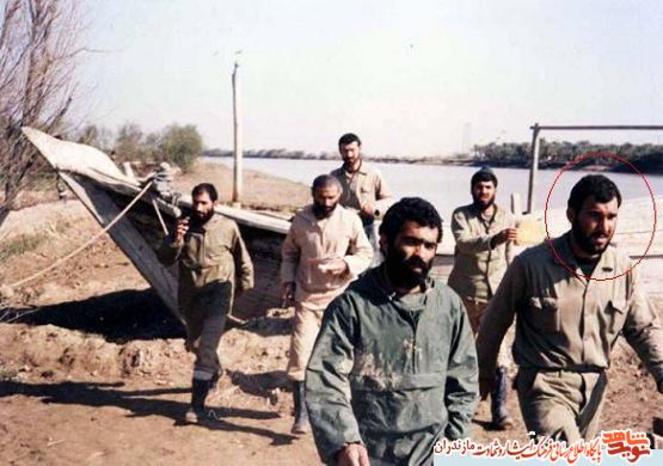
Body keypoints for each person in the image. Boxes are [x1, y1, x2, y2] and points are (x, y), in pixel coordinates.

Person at [477, 175, 663, 443]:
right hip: (544, 385)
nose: (604, 227)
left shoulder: (623, 269)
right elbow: (494, 322)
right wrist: (482, 376)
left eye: (611, 217)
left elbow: (643, 328)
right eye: (595, 216)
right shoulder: (531, 265)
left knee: (581, 455)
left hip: (594, 389)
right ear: (571, 215)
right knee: (566, 455)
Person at [306, 197, 478, 466]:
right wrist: (345, 441)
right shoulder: (352, 306)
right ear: (385, 241)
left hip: (432, 452)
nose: (420, 253)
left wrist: (454, 441)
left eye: (429, 245)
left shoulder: (448, 305)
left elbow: (464, 381)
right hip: (369, 453)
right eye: (411, 242)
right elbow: (325, 380)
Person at [281, 175, 373, 434]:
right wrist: (287, 281)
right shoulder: (300, 220)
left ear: (339, 196)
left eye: (331, 197)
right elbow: (289, 254)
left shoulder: (350, 220)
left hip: (339, 298)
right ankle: (301, 415)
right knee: (300, 356)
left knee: (342, 357)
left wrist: (345, 264)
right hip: (307, 299)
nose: (326, 202)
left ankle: (344, 412)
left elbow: (366, 253)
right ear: (313, 194)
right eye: (321, 197)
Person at [157, 183, 254, 423]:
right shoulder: (183, 226)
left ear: (214, 204)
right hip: (191, 296)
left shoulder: (227, 227)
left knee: (206, 349)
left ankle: (196, 406)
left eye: (204, 203)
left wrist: (244, 285)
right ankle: (215, 370)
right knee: (196, 344)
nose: (199, 208)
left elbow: (242, 258)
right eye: (196, 202)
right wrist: (176, 238)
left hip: (219, 294)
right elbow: (165, 259)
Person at [447, 166, 517, 430]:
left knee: (500, 354)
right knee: (460, 351)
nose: (483, 191)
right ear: (472, 189)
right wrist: (493, 239)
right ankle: (457, 405)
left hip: (495, 297)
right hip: (464, 294)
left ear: (495, 190)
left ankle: (499, 409)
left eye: (488, 187)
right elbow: (464, 243)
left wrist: (513, 288)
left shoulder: (507, 217)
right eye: (479, 186)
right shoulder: (460, 215)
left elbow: (510, 255)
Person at [330, 133, 392, 259]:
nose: (349, 155)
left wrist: (374, 208)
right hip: (341, 230)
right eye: (345, 151)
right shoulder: (333, 176)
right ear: (340, 151)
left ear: (359, 149)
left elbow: (389, 199)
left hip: (366, 228)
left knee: (369, 264)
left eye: (352, 150)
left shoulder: (373, 174)